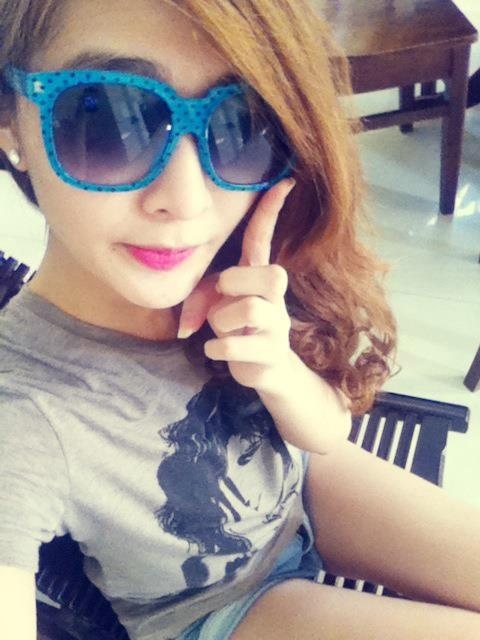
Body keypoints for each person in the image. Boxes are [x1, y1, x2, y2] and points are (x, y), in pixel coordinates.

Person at [0, 1, 479, 639]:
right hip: (221, 605)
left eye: (242, 123)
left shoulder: (234, 273)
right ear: (10, 122)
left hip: (301, 487)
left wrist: (275, 365)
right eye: (105, 116)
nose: (188, 200)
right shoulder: (23, 409)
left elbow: (327, 434)